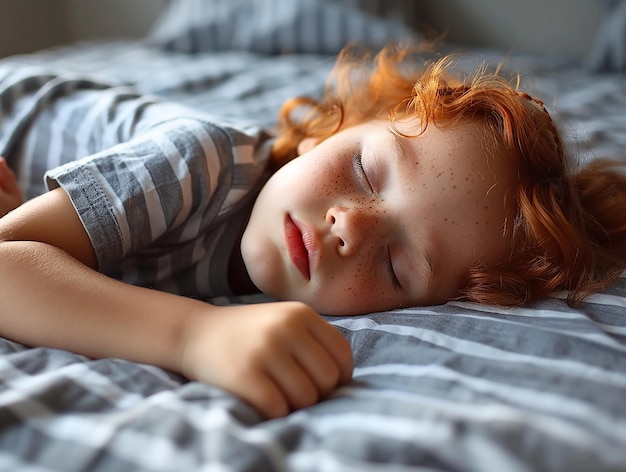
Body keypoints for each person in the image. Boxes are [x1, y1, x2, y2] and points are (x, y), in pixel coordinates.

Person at [1, 45, 625, 419]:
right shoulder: (199, 161)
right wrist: (195, 335)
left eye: (398, 267)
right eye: (365, 168)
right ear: (335, 129)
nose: (351, 224)